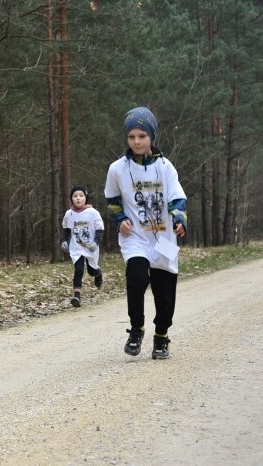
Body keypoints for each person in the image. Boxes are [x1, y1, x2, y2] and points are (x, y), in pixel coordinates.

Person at [104, 107, 187, 360]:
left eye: (142, 136)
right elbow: (112, 198)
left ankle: (161, 336)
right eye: (132, 137)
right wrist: (119, 219)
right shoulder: (117, 169)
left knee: (165, 291)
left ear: (152, 136)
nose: (137, 141)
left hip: (164, 239)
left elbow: (177, 198)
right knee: (137, 278)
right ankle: (136, 329)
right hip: (136, 238)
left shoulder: (165, 167)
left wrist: (179, 219)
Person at [61, 185, 104, 307]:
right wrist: (64, 241)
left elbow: (99, 229)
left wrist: (96, 242)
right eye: (75, 196)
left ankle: (98, 273)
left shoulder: (93, 213)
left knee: (91, 270)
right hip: (76, 247)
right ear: (71, 199)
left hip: (90, 247)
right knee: (79, 270)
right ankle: (77, 295)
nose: (78, 198)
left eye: (81, 196)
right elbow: (66, 230)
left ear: (86, 198)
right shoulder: (69, 214)